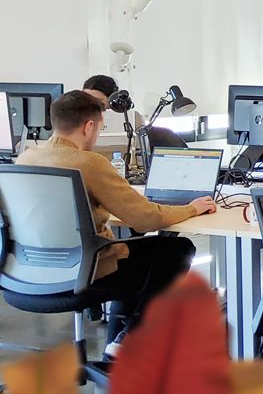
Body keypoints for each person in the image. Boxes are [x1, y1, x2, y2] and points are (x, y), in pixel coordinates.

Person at [16, 91, 215, 355]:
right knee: (175, 251)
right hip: (84, 272)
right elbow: (146, 219)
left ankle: (119, 344)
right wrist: (192, 208)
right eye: (99, 128)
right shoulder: (89, 163)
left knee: (136, 255)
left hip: (28, 272)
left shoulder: (26, 158)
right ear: (89, 126)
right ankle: (129, 338)